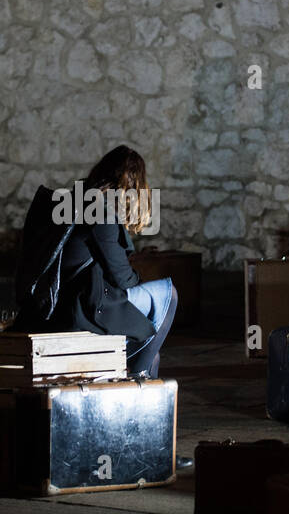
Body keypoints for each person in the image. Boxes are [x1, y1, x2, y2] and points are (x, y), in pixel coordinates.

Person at [11, 146, 177, 378]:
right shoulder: (101, 211)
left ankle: (140, 368)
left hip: (51, 308)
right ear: (132, 186)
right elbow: (122, 278)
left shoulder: (75, 200)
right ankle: (139, 375)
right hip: (77, 312)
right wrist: (140, 280)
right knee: (169, 293)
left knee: (151, 354)